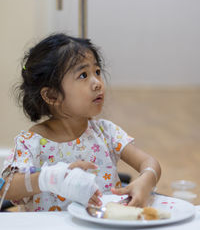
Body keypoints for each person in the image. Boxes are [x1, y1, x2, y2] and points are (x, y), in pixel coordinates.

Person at [0, 33, 161, 212]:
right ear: (52, 95)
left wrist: (146, 180)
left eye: (97, 72)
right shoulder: (31, 143)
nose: (97, 83)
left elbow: (149, 162)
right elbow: (6, 188)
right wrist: (53, 178)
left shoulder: (107, 132)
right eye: (83, 75)